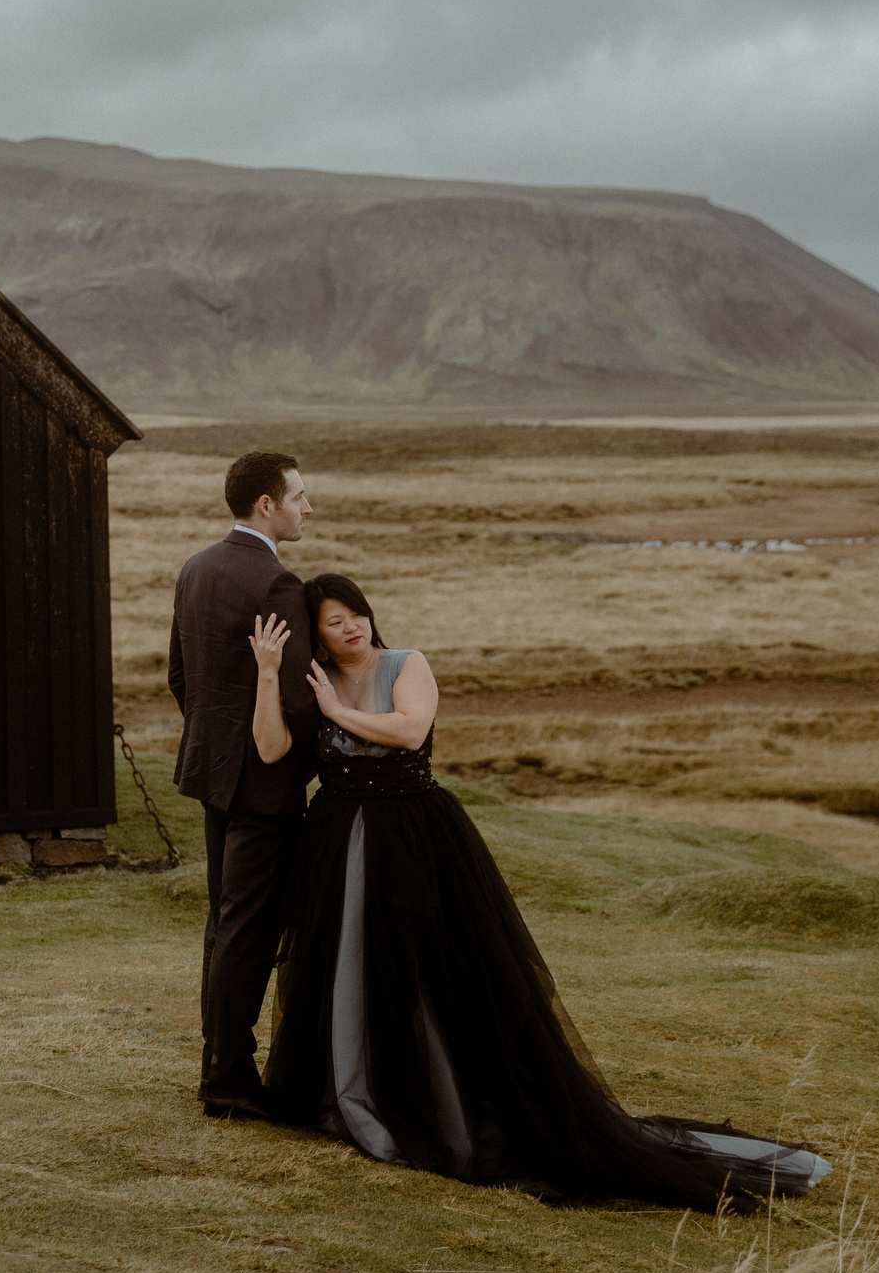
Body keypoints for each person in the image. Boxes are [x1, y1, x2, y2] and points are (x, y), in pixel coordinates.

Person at [249, 573, 829, 1208]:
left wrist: (338, 713)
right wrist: (268, 674)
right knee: (350, 965)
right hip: (338, 841)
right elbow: (272, 748)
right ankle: (357, 1089)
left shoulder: (406, 664)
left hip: (415, 838)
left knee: (430, 969)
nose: (350, 626)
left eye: (355, 613)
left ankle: (437, 1097)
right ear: (318, 636)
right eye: (334, 622)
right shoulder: (313, 678)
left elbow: (411, 732)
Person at [167, 450, 318, 1119]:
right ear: (268, 504)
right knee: (246, 932)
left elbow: (181, 676)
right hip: (263, 786)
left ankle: (218, 1067)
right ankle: (228, 1082)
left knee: (222, 926)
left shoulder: (195, 569)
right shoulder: (279, 585)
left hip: (212, 773)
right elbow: (299, 703)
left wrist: (217, 745)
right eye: (299, 496)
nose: (307, 506)